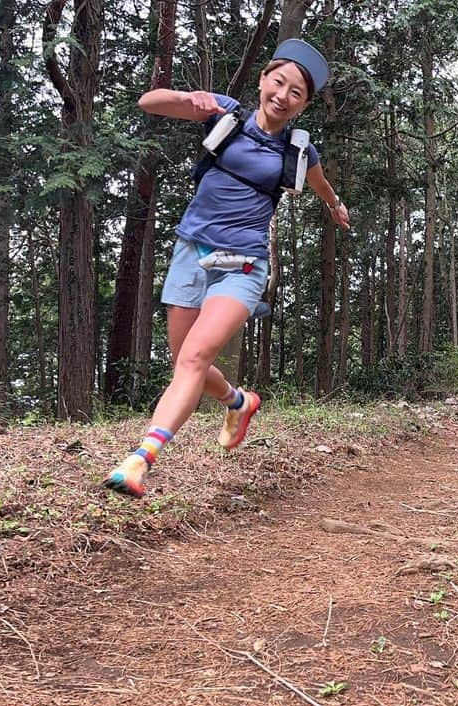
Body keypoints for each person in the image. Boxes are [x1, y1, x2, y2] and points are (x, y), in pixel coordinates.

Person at [105, 39, 350, 497]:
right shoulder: (227, 114)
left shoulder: (298, 151)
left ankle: (141, 459)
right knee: (185, 362)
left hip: (244, 261)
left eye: (295, 92)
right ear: (263, 81)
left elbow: (320, 184)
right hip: (192, 250)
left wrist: (336, 207)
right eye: (278, 82)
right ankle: (238, 401)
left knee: (195, 358)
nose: (283, 95)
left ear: (303, 104)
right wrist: (190, 99)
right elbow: (149, 103)